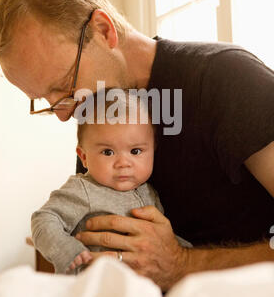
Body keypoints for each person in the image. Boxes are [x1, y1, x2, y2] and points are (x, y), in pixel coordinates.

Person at [0, 0, 274, 292]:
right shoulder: (96, 116)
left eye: (64, 85)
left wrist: (183, 265)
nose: (63, 114)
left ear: (103, 30)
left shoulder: (225, 78)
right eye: (45, 100)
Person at [31, 91, 192, 275]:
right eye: (108, 152)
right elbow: (43, 220)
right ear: (84, 157)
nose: (123, 163)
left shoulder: (149, 192)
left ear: (153, 150)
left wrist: (188, 255)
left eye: (136, 151)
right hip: (94, 288)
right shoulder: (83, 190)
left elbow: (162, 243)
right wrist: (67, 250)